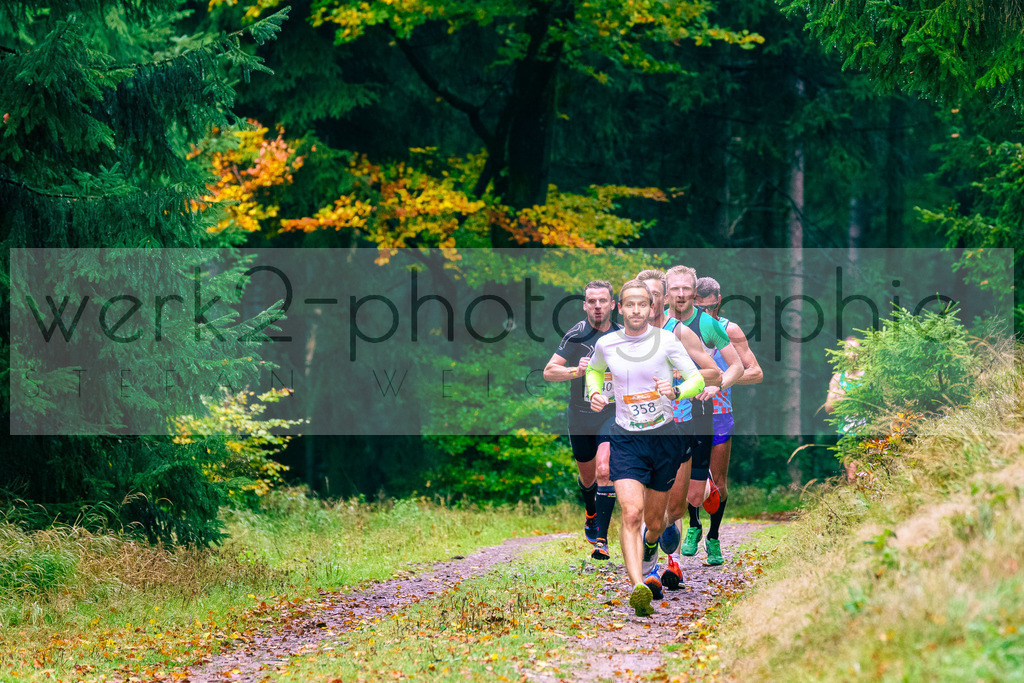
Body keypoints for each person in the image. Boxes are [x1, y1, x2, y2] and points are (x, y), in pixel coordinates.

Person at [585, 279, 705, 616]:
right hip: (626, 438)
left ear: (651, 308)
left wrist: (677, 390)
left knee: (656, 521)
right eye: (630, 304)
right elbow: (593, 373)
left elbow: (695, 377)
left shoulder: (666, 340)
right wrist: (594, 392)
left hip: (663, 438)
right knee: (632, 513)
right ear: (619, 309)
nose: (637, 310)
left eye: (643, 304)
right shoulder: (607, 344)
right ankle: (638, 585)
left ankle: (652, 544)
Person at [635, 268, 722, 588]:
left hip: (680, 424)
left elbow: (712, 372)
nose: (650, 302)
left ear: (666, 298)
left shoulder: (680, 332)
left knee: (674, 506)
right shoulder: (622, 336)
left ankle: (666, 555)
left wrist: (681, 384)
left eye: (657, 295)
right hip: (639, 427)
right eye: (644, 297)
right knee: (644, 504)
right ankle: (651, 568)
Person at [663, 265, 744, 568]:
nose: (681, 294)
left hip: (708, 410)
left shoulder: (708, 324)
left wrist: (716, 385)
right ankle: (677, 541)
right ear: (666, 291)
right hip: (669, 414)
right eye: (675, 289)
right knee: (671, 484)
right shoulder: (655, 324)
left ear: (694, 293)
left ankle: (712, 535)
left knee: (711, 486)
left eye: (687, 289)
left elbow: (736, 367)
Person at [544, 280, 621, 560]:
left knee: (604, 470)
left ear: (613, 304)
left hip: (610, 415)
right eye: (592, 301)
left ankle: (601, 538)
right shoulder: (576, 334)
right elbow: (549, 372)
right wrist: (576, 371)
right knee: (588, 477)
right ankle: (590, 512)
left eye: (603, 301)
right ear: (585, 305)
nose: (598, 306)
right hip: (580, 416)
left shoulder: (622, 335)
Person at [693, 276, 764, 561]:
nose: (707, 314)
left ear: (718, 301)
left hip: (721, 412)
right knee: (688, 478)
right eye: (701, 308)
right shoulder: (681, 329)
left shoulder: (728, 329)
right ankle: (693, 524)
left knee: (718, 482)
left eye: (711, 307)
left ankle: (713, 536)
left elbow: (756, 372)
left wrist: (725, 379)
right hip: (688, 410)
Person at [824, 336, 865, 483]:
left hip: (869, 430)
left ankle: (872, 504)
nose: (852, 354)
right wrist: (840, 399)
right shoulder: (838, 378)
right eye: (848, 350)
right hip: (846, 431)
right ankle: (856, 504)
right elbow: (828, 407)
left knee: (868, 473)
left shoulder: (869, 377)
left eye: (856, 350)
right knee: (852, 475)